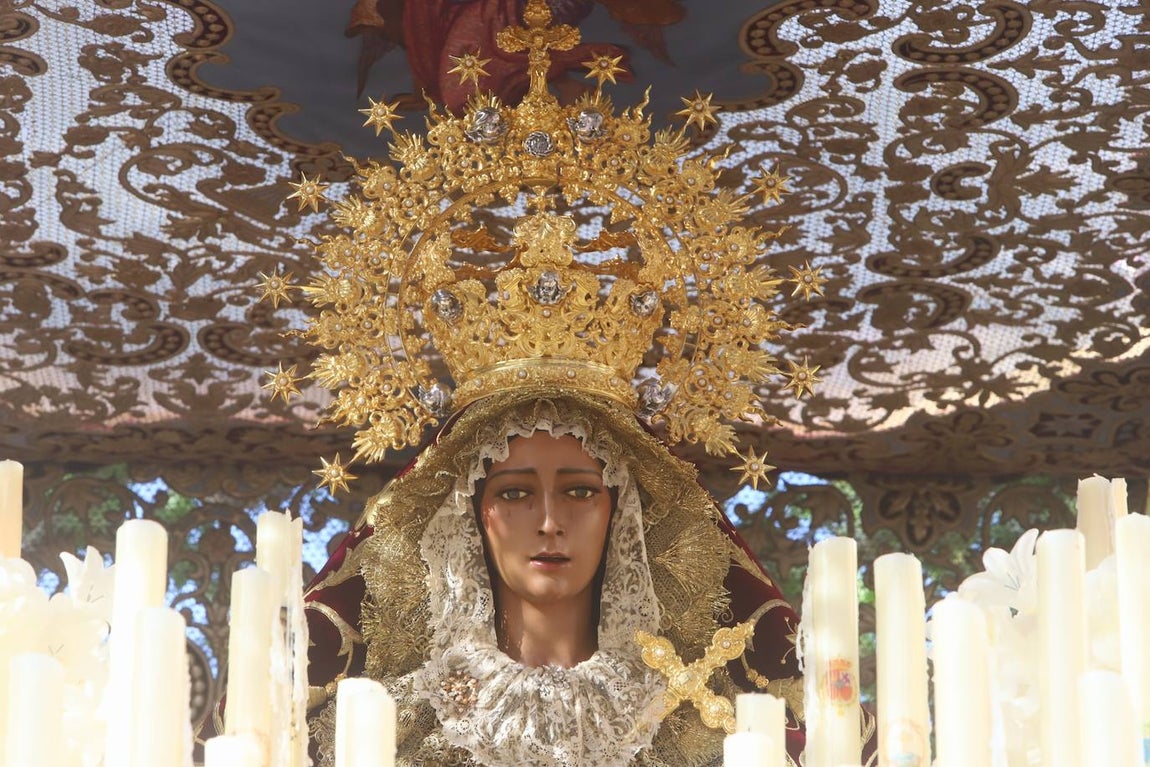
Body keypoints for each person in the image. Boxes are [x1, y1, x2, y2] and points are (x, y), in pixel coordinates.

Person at [300, 390, 806, 766]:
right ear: (470, 519)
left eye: (580, 492)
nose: (548, 522)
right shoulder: (395, 723)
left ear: (621, 516)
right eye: (514, 493)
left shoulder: (694, 722)